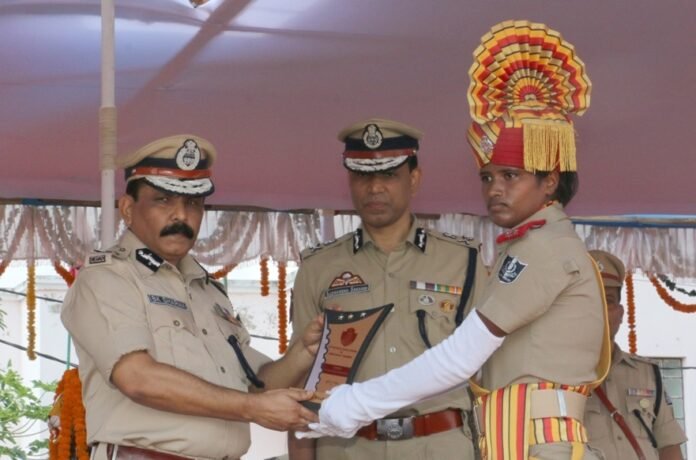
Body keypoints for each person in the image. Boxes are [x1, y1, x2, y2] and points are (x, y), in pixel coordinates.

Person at [306, 20, 612, 460]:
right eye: (487, 177)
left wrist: (352, 405)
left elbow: (459, 357)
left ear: (550, 182)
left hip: (541, 445)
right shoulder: (527, 244)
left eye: (511, 176)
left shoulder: (545, 249)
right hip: (516, 439)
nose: (494, 189)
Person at [61, 134, 320, 460]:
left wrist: (304, 352)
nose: (181, 216)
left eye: (193, 204)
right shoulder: (108, 278)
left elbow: (256, 383)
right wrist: (251, 408)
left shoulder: (207, 290)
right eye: (163, 201)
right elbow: (138, 378)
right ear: (128, 209)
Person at [288, 117, 487, 460]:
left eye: (389, 175)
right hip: (347, 448)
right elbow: (302, 383)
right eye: (362, 175)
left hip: (440, 444)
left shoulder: (463, 261)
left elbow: (490, 376)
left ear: (414, 179)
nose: (374, 188)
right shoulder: (317, 268)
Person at [585, 250, 687, 460]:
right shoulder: (553, 375)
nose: (600, 310)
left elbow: (669, 447)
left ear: (621, 314)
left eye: (609, 301)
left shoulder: (647, 373)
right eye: (589, 299)